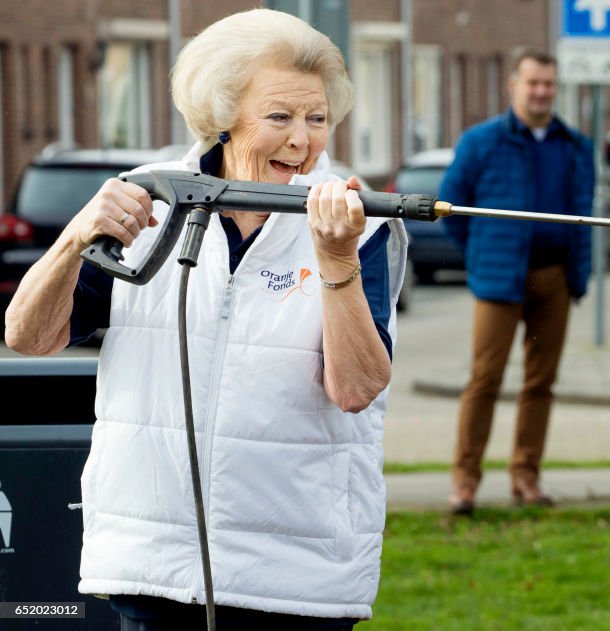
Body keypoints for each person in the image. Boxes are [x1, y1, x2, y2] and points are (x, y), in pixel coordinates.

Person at [4, 9, 407, 629]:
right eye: (280, 116)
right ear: (222, 117)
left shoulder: (362, 225)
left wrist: (333, 256)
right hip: (153, 564)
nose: (302, 140)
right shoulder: (149, 197)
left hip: (298, 577)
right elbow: (28, 339)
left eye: (317, 117)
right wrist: (72, 239)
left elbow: (355, 389)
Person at [440, 49, 594, 515]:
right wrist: (481, 253)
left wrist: (577, 276)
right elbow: (450, 207)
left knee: (540, 382)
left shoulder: (574, 145)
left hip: (554, 278)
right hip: (499, 278)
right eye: (533, 83)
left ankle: (526, 476)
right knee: (484, 379)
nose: (542, 91)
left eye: (549, 83)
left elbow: (583, 215)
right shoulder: (481, 142)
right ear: (514, 86)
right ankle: (465, 483)